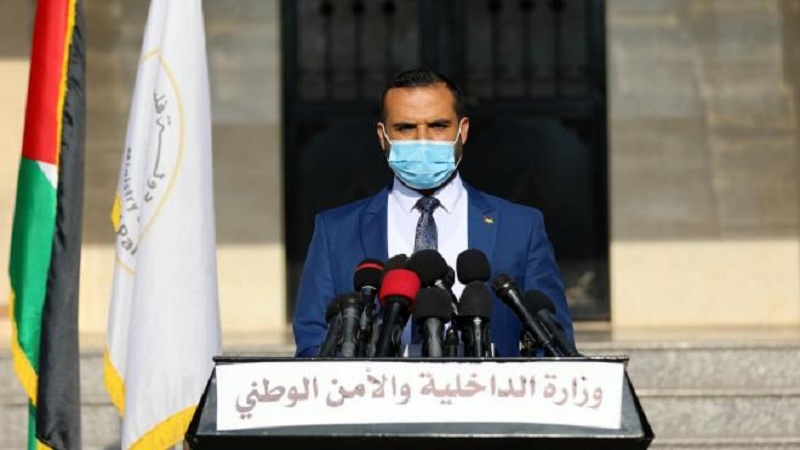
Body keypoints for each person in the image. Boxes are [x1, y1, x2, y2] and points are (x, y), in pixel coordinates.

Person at [292, 68, 574, 357]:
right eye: (405, 128)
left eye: (438, 125)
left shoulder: (521, 227)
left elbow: (554, 342)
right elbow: (313, 344)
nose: (422, 140)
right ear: (382, 136)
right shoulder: (335, 232)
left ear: (463, 131)